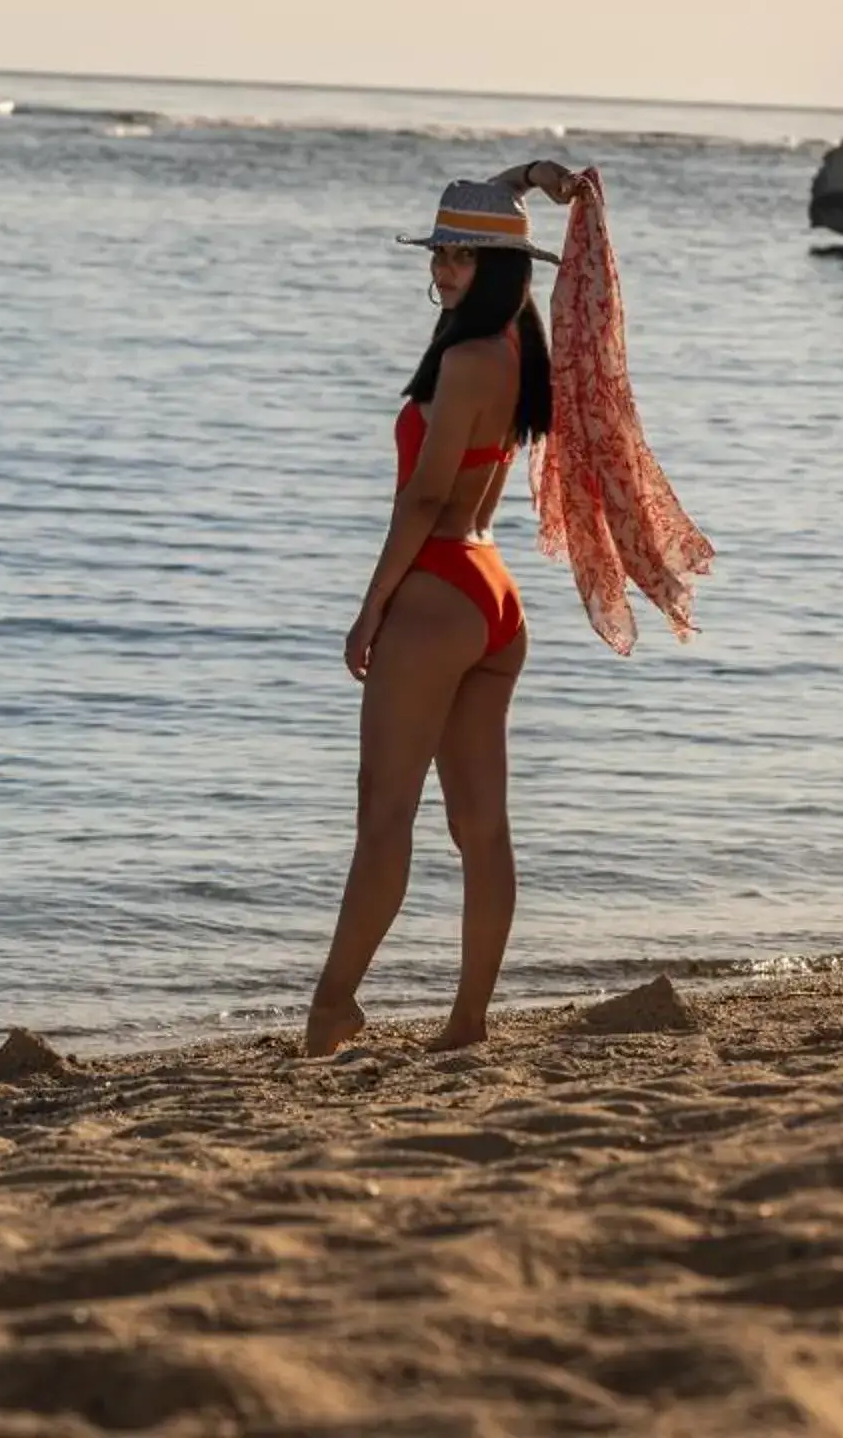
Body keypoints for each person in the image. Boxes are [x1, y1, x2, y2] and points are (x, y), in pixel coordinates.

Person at [304, 159, 585, 1057]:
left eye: (460, 258)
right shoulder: (515, 347)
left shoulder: (465, 358)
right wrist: (530, 179)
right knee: (480, 826)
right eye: (439, 255)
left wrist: (368, 608)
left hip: (433, 592)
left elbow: (423, 501)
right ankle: (466, 1022)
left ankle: (332, 1005)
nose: (442, 270)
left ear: (498, 268)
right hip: (492, 593)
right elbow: (465, 495)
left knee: (385, 816)